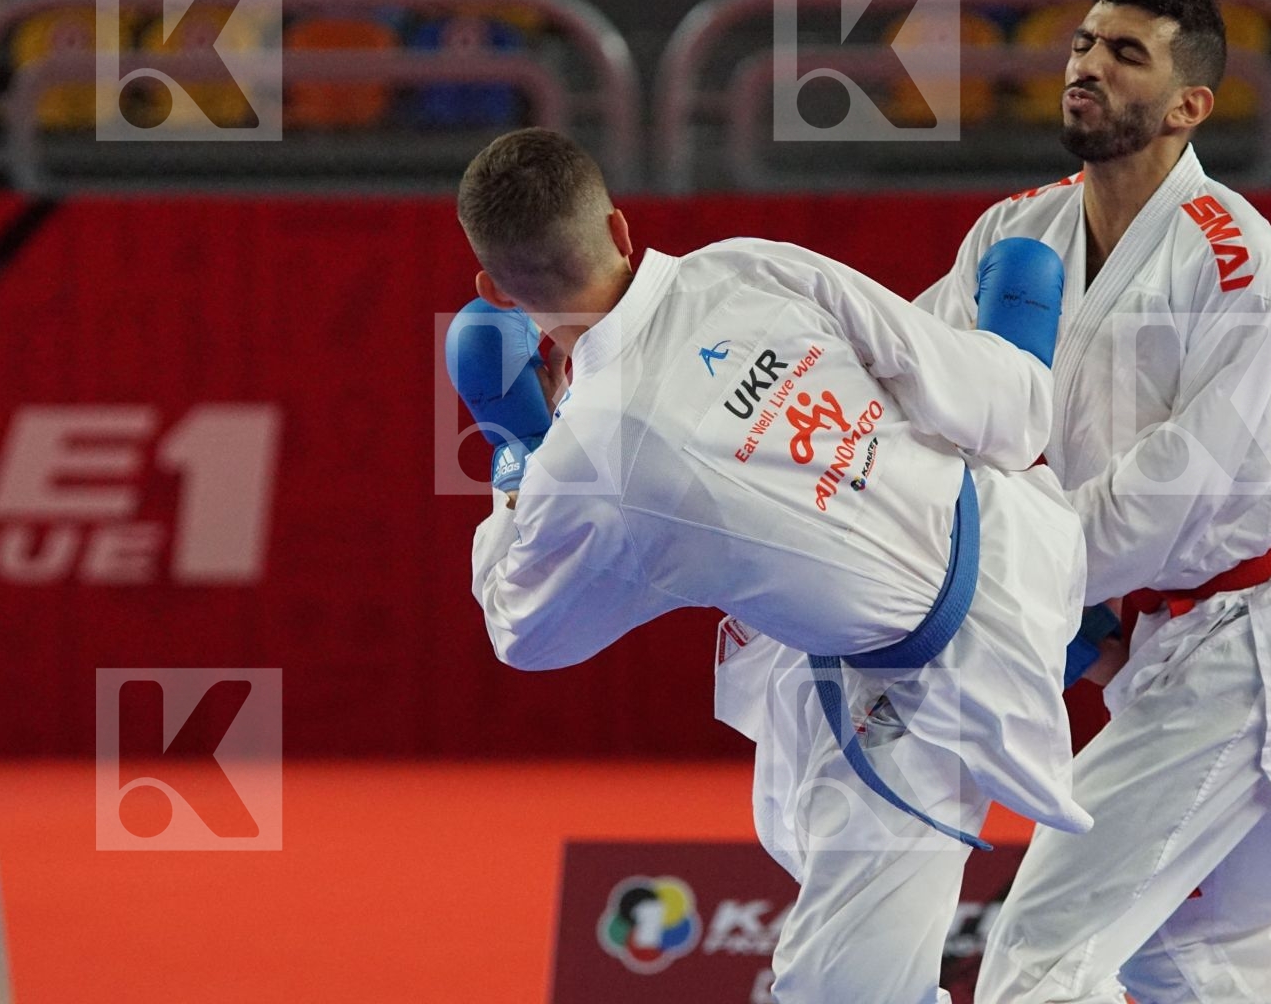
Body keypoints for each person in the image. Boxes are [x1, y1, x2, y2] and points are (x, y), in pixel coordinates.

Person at [445, 128, 1093, 1004]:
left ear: (494, 291)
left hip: (918, 703)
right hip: (1030, 540)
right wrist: (1018, 327)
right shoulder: (752, 265)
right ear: (622, 229)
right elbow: (1001, 416)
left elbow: (524, 633)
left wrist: (517, 448)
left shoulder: (592, 462)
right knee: (791, 733)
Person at [918, 0, 1271, 1003]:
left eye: (1124, 54)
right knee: (1213, 958)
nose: (1086, 65)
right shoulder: (1012, 236)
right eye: (1084, 44)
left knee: (1042, 946)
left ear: (1190, 106)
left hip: (1246, 645)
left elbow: (1165, 494)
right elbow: (924, 384)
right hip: (1148, 644)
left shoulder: (1246, 271)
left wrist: (1009, 584)